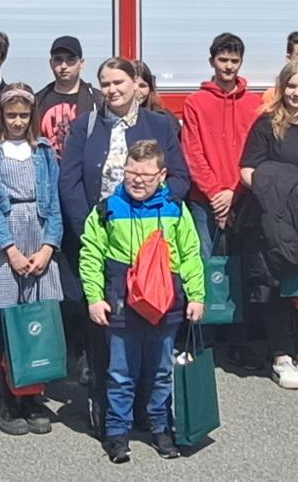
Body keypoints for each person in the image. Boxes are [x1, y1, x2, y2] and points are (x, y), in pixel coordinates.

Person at [60, 57, 191, 399]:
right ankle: (107, 407)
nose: (112, 90)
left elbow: (179, 179)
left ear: (136, 83)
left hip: (150, 248)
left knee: (150, 330)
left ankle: (150, 408)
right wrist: (88, 230)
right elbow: (69, 183)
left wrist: (157, 216)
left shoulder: (160, 126)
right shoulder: (85, 126)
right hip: (104, 244)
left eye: (119, 82)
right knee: (104, 327)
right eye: (105, 83)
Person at [80, 140, 206, 464]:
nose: (137, 180)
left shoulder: (177, 210)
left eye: (146, 175)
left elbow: (191, 254)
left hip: (167, 300)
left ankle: (160, 427)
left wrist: (197, 296)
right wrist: (94, 297)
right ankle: (117, 433)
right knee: (121, 372)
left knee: (161, 370)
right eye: (131, 172)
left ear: (162, 175)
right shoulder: (107, 209)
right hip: (122, 300)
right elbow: (90, 255)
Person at [0, 85, 64, 435]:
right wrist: (10, 249)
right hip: (6, 239)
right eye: (11, 115)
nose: (16, 121)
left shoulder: (43, 152)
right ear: (1, 115)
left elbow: (54, 204)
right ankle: (9, 400)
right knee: (7, 321)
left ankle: (33, 395)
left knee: (36, 321)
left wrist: (48, 247)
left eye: (23, 116)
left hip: (39, 232)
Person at [239, 61, 298, 391]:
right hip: (275, 220)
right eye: (290, 86)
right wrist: (285, 190)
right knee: (279, 286)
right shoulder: (266, 125)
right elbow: (247, 171)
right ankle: (281, 355)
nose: (296, 92)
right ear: (281, 88)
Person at [182, 33, 261, 257]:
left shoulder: (255, 104)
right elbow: (193, 153)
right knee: (206, 266)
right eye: (223, 60)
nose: (228, 66)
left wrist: (233, 193)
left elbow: (256, 154)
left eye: (234, 61)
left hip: (244, 195)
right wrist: (217, 196)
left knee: (245, 266)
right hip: (205, 200)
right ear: (212, 62)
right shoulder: (195, 103)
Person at [34, 35, 102, 156]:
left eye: (70, 59)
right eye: (58, 60)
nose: (64, 66)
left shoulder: (97, 100)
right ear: (51, 63)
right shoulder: (37, 100)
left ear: (81, 63)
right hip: (48, 172)